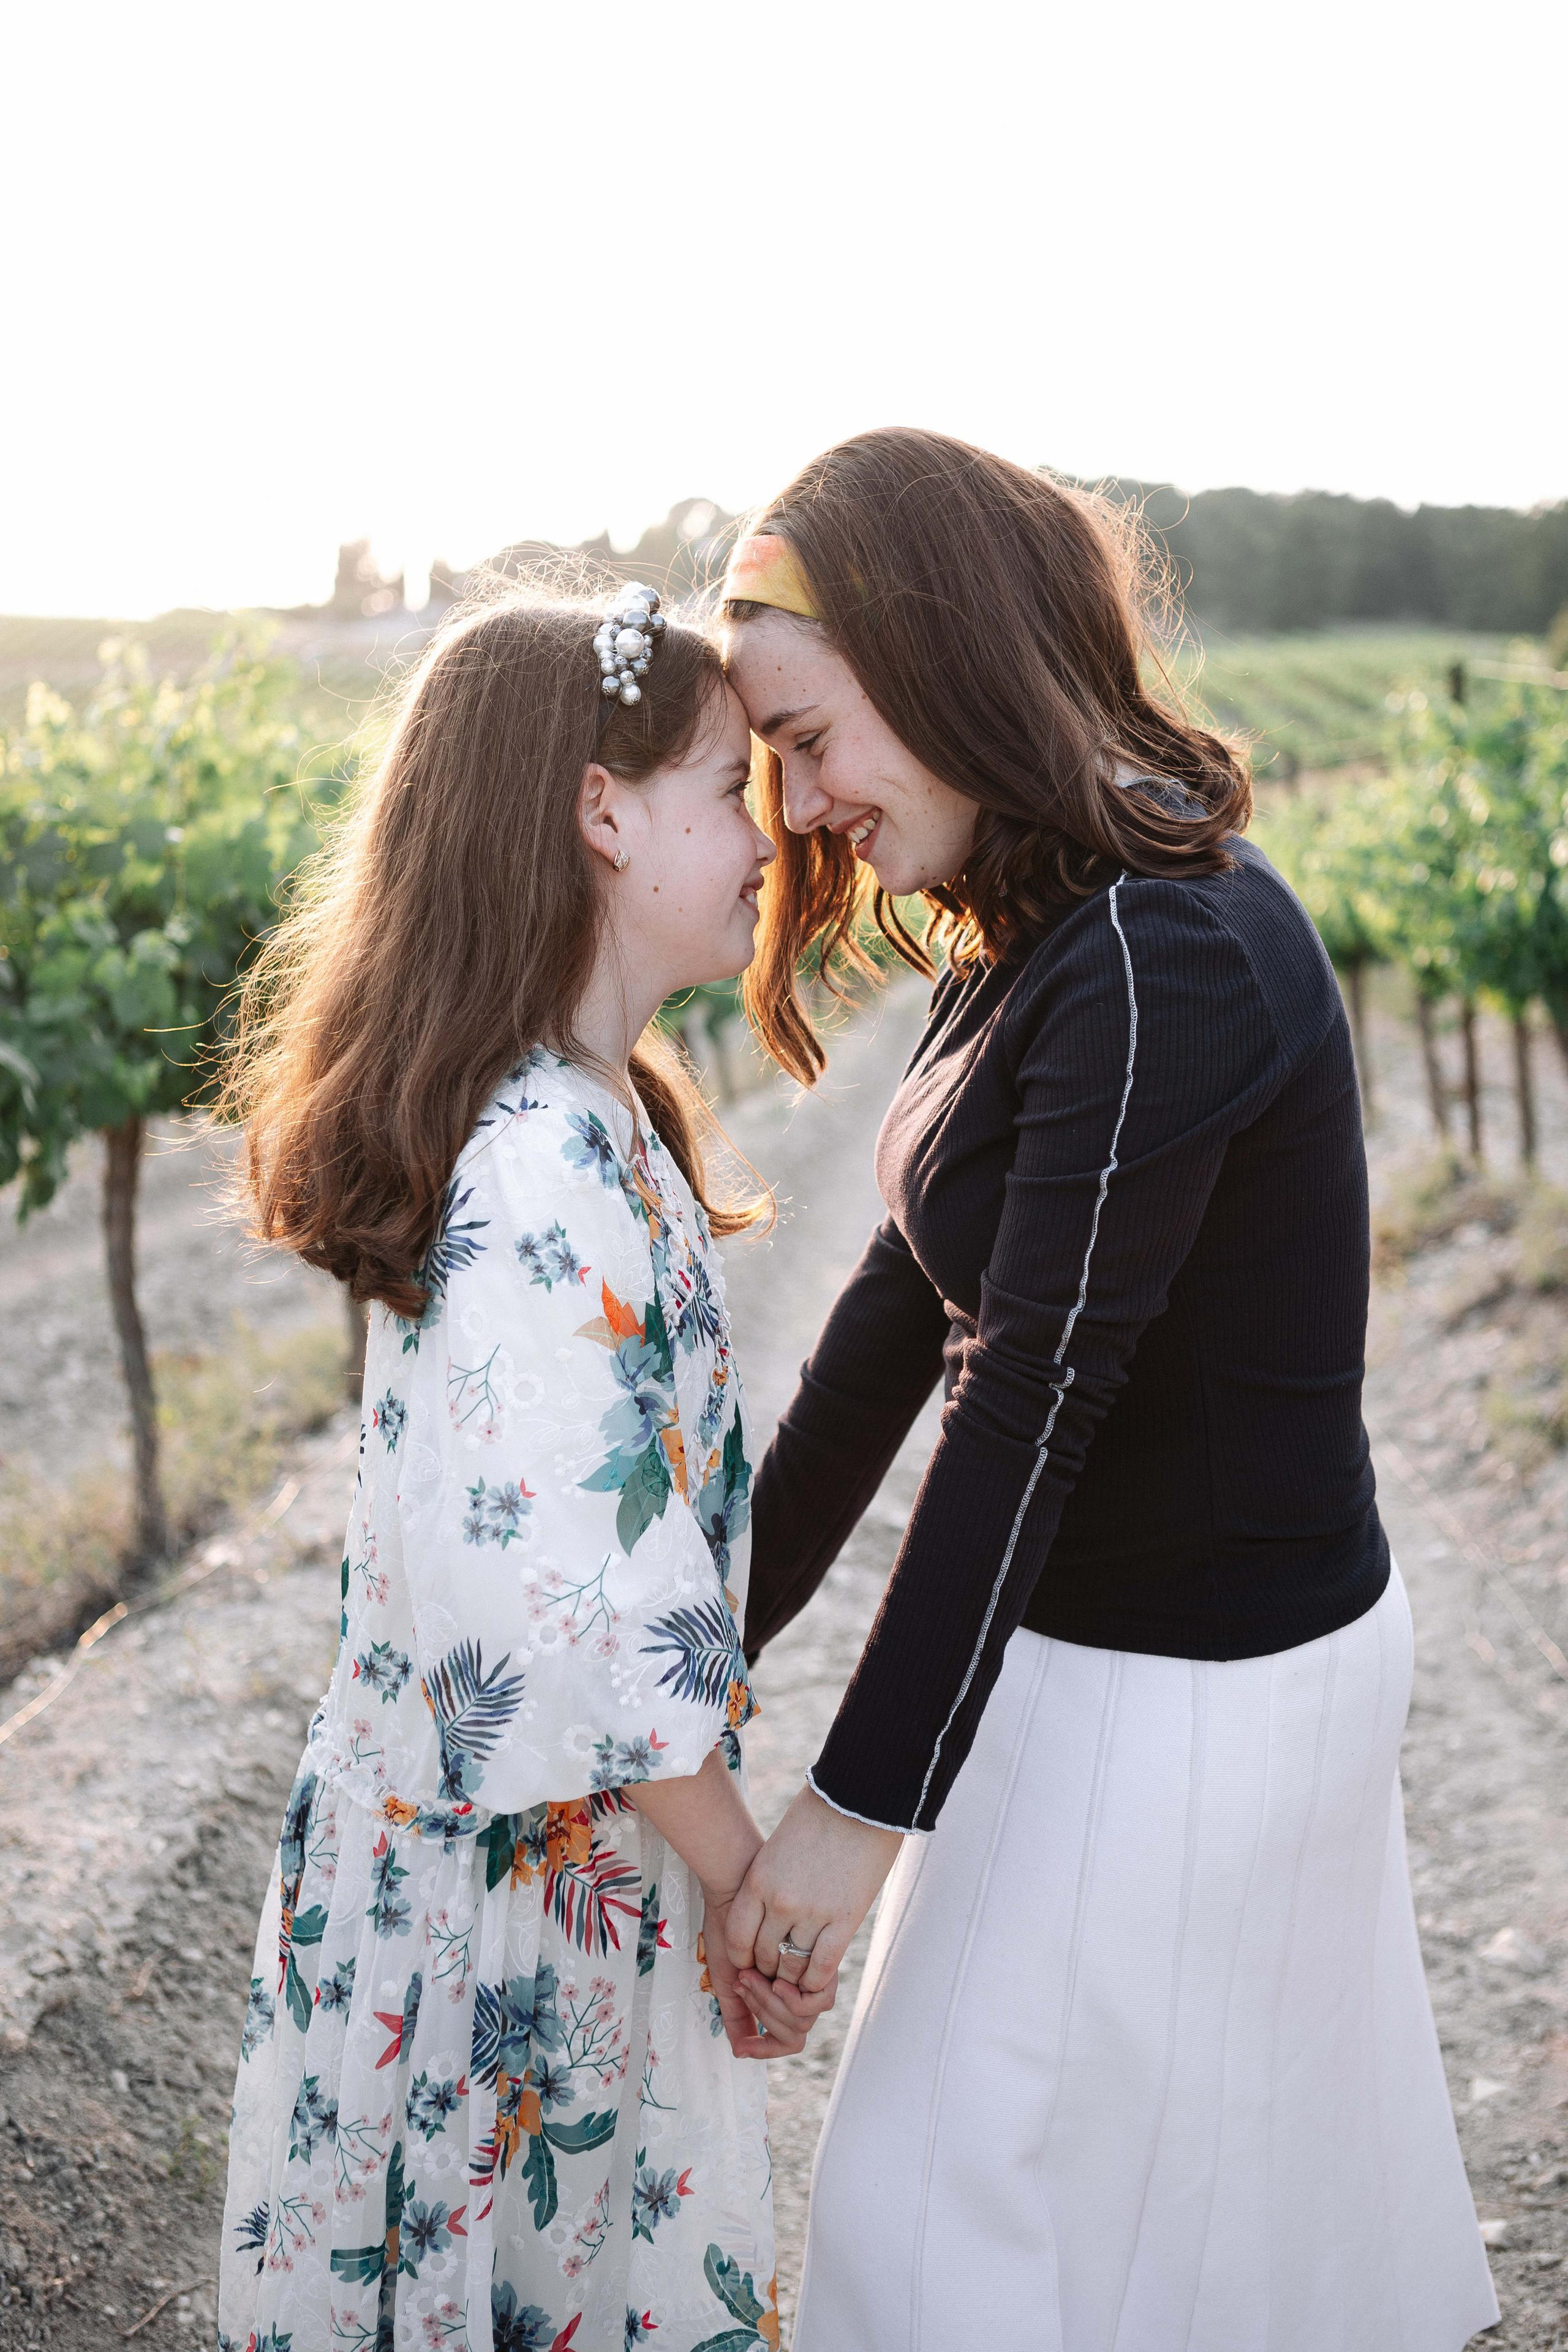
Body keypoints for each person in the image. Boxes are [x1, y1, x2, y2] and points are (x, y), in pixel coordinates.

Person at [718, 428, 1501, 2351]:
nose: (801, 807)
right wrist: (686, 1660)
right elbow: (877, 1349)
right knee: (1140, 2219)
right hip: (1132, 1658)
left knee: (943, 2199)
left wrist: (846, 1814)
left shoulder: (1165, 950)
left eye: (811, 738)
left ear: (939, 655)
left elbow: (1025, 1401)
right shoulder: (1044, 932)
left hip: (1200, 1682)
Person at [213, 586, 828, 2352]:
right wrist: (748, 1885)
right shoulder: (545, 1154)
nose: (768, 832)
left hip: (533, 1880)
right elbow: (571, 1613)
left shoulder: (598, 1109)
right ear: (602, 810)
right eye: (729, 783)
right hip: (506, 1925)